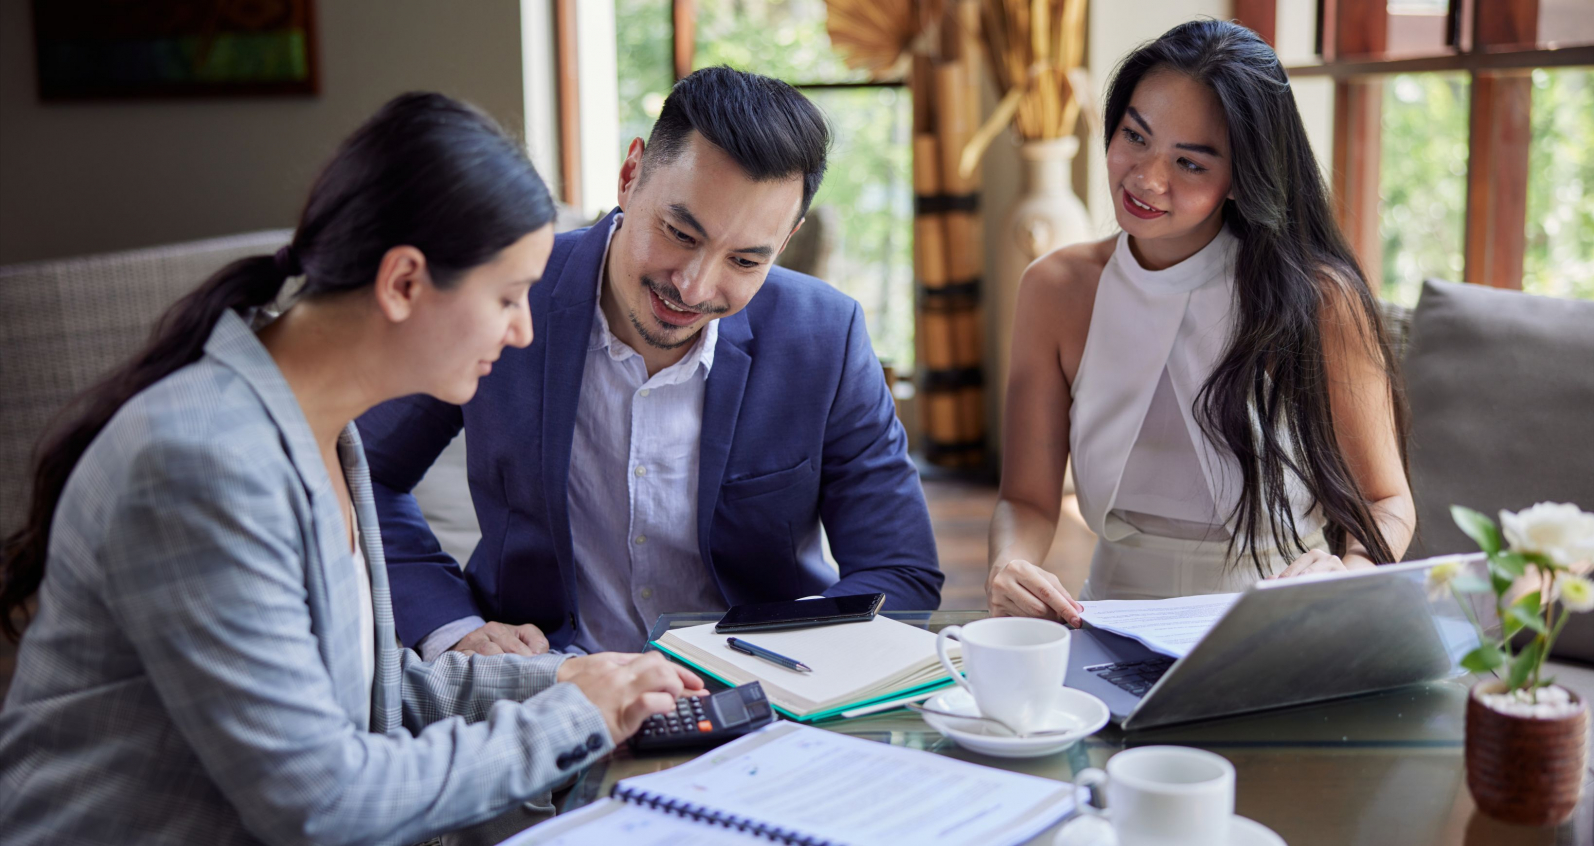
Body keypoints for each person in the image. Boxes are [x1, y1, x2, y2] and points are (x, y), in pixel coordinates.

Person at [0, 93, 702, 846]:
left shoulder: (324, 434)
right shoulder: (200, 465)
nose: (524, 329)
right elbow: (322, 804)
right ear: (403, 282)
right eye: (506, 297)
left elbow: (362, 690)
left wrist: (568, 679)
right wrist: (576, 716)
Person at [358, 67, 942, 660]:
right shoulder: (508, 292)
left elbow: (899, 570)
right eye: (679, 233)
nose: (693, 287)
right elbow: (363, 474)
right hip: (551, 684)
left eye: (743, 261)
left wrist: (784, 662)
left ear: (784, 242)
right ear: (631, 174)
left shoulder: (825, 335)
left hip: (759, 696)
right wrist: (453, 627)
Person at [987, 20, 1414, 624]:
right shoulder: (1055, 289)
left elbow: (1386, 499)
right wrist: (1009, 564)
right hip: (1111, 616)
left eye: (1189, 163)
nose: (1146, 178)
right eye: (1136, 136)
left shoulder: (1318, 298)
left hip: (1277, 617)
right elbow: (1026, 499)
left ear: (1242, 178)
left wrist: (1346, 573)